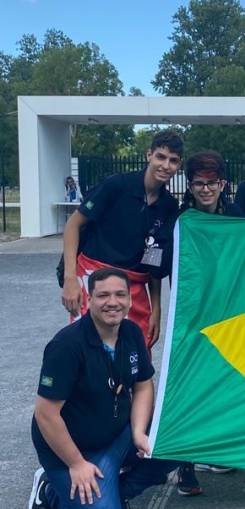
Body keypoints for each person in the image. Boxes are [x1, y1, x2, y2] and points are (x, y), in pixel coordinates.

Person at [29, 268, 178, 509]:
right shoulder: (67, 346)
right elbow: (45, 414)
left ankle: (116, 490)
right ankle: (50, 490)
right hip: (72, 449)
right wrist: (75, 463)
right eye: (104, 295)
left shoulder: (132, 332)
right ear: (89, 300)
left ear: (130, 301)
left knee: (180, 433)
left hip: (115, 435)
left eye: (120, 294)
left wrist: (137, 432)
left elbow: (144, 384)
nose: (113, 302)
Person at [61, 130, 183, 348]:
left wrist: (157, 309)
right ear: (149, 155)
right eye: (161, 157)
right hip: (94, 275)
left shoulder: (169, 206)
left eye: (173, 161)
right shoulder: (117, 185)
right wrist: (70, 279)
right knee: (90, 349)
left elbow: (154, 259)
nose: (166, 165)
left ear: (179, 165)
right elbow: (73, 225)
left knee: (135, 350)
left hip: (134, 284)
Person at [174, 151, 243, 496]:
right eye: (199, 183)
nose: (205, 189)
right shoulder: (181, 218)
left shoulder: (235, 216)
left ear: (222, 184)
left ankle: (215, 449)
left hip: (225, 311)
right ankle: (185, 463)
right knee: (186, 384)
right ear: (190, 185)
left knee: (220, 381)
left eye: (211, 183)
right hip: (189, 311)